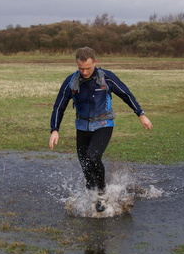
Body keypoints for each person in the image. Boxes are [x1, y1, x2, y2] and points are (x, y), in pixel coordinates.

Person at [49, 47, 153, 212]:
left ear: (95, 63)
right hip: (82, 126)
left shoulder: (107, 78)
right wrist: (54, 129)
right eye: (80, 68)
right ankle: (92, 196)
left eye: (88, 68)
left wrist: (140, 114)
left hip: (104, 124)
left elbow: (126, 94)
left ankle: (102, 193)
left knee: (93, 156)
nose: (84, 72)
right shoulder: (71, 81)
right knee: (85, 163)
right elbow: (59, 106)